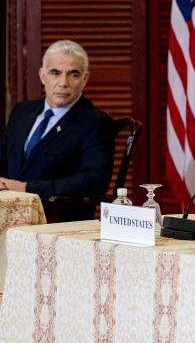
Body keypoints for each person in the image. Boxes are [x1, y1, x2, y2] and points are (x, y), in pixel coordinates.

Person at [0, 40, 114, 217]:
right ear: (42, 76)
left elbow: (93, 181)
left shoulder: (95, 122)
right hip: (6, 213)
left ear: (85, 79)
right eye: (55, 73)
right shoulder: (22, 111)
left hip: (55, 220)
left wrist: (27, 188)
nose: (63, 83)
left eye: (73, 75)